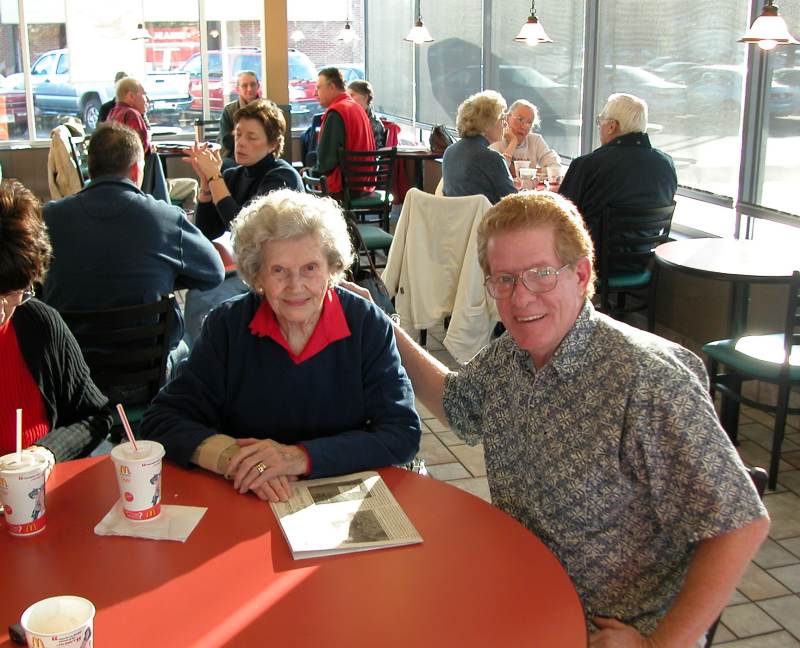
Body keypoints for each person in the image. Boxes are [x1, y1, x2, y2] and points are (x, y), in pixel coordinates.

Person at [344, 191, 769, 647]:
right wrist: (384, 325)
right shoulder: (514, 354)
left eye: (541, 275)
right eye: (503, 279)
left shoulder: (646, 380)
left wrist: (657, 645)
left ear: (581, 274)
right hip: (521, 592)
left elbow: (739, 523)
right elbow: (457, 404)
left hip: (607, 625)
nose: (521, 298)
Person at [140, 189, 421, 503]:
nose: (295, 286)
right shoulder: (228, 327)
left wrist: (297, 457)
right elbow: (162, 420)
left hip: (343, 503)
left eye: (310, 268)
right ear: (256, 274)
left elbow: (401, 433)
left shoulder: (367, 325)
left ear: (332, 269)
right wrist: (241, 462)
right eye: (278, 271)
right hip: (247, 497)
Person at [41, 122, 225, 355]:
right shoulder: (165, 218)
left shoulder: (49, 217)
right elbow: (214, 273)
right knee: (185, 350)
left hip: (69, 372)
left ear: (91, 167)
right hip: (149, 370)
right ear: (137, 171)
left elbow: (34, 285)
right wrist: (163, 272)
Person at [0, 179, 112, 466]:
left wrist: (46, 452)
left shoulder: (38, 324)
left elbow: (95, 416)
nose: (2, 311)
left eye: (14, 293)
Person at [182, 99, 304, 347]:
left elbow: (244, 229)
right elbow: (208, 232)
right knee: (198, 290)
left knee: (204, 300)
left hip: (277, 270)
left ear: (272, 144)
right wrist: (206, 186)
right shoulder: (233, 175)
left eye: (251, 137)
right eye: (238, 135)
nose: (241, 142)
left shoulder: (281, 176)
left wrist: (215, 177)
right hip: (246, 266)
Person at [559, 93, 677, 245]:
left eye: (600, 121)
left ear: (612, 126)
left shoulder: (587, 166)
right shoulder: (666, 165)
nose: (599, 127)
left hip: (593, 264)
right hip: (647, 262)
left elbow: (560, 218)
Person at [442, 90, 517, 204]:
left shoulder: (449, 152)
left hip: (456, 220)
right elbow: (513, 201)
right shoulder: (491, 158)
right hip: (486, 220)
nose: (505, 124)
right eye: (502, 118)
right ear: (486, 125)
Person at [311, 67, 375, 196]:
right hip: (365, 183)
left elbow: (326, 163)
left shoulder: (336, 112)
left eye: (318, 88)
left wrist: (311, 171)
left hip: (344, 188)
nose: (314, 94)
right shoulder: (356, 108)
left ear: (332, 87)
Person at [107, 76, 170, 202]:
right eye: (144, 94)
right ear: (131, 96)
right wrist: (150, 148)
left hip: (115, 181)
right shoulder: (132, 114)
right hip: (138, 183)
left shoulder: (112, 114)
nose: (148, 99)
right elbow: (139, 150)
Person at [489, 99, 559, 176]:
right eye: (520, 119)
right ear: (507, 118)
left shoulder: (535, 140)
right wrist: (513, 143)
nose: (524, 127)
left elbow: (554, 167)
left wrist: (527, 172)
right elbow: (496, 171)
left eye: (529, 123)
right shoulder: (496, 140)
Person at [219, 70, 261, 162]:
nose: (249, 89)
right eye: (244, 86)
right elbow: (226, 141)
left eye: (253, 84)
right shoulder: (229, 110)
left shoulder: (268, 109)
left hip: (261, 155)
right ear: (238, 89)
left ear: (258, 86)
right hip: (234, 156)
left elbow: (273, 137)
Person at [347, 79, 386, 149]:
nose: (349, 98)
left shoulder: (375, 123)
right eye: (348, 95)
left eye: (352, 95)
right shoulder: (350, 118)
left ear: (365, 97)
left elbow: (376, 152)